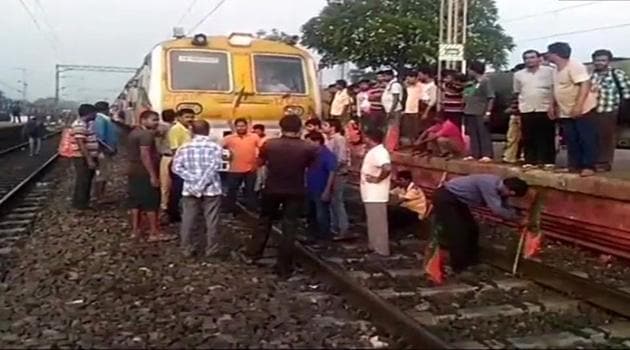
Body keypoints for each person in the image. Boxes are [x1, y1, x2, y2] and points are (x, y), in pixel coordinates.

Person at [245, 114, 318, 277]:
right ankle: (284, 266)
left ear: (281, 127)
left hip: (272, 188)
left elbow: (259, 163)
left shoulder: (270, 145)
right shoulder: (308, 147)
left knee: (264, 221)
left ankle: (253, 254)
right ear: (299, 128)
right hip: (295, 190)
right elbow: (311, 165)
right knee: (290, 226)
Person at [429, 175, 528, 277]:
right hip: (446, 198)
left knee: (472, 229)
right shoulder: (489, 185)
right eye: (512, 195)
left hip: (459, 201)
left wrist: (517, 214)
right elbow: (497, 208)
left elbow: (504, 206)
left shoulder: (500, 187)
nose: (510, 197)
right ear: (511, 191)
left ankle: (471, 260)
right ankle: (458, 266)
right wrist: (518, 219)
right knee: (458, 232)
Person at [172, 120, 224, 257]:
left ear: (191, 131)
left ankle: (186, 248)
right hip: (212, 188)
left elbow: (176, 168)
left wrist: (194, 181)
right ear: (208, 130)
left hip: (190, 189)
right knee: (212, 220)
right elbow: (214, 168)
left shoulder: (184, 148)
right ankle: (211, 249)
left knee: (188, 219)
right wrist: (202, 183)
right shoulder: (216, 148)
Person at [547, 42, 598, 177]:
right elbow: (556, 89)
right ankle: (574, 165)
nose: (547, 55)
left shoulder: (574, 66)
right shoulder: (555, 70)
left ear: (555, 54)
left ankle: (589, 166)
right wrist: (552, 106)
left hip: (582, 109)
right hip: (565, 110)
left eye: (549, 52)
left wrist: (578, 105)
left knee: (585, 138)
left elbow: (585, 84)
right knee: (571, 139)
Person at [126, 110, 170, 241]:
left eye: (157, 119)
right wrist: (153, 175)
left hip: (133, 170)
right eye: (154, 120)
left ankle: (135, 231)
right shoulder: (146, 135)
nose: (156, 122)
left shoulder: (134, 133)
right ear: (143, 120)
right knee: (151, 202)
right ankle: (154, 232)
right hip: (144, 172)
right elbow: (145, 155)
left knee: (135, 202)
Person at [513, 50, 556, 170]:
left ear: (538, 59)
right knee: (528, 136)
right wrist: (517, 111)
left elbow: (554, 90)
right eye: (526, 58)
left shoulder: (550, 72)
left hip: (544, 107)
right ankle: (530, 160)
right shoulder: (519, 75)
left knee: (546, 136)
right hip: (526, 108)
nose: (529, 60)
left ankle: (548, 161)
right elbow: (517, 92)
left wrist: (552, 107)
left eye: (532, 57)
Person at [590, 49, 630, 172]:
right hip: (593, 110)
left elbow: (627, 93)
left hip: (609, 109)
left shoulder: (617, 74)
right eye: (597, 60)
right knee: (593, 137)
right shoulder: (592, 75)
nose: (599, 63)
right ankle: (593, 161)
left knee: (606, 138)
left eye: (603, 60)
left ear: (608, 61)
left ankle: (604, 163)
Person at [360, 128, 392, 257]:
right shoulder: (374, 151)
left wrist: (377, 179)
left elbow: (387, 167)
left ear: (369, 138)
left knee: (378, 222)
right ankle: (373, 246)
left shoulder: (380, 152)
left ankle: (381, 250)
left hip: (376, 194)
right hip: (370, 194)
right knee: (373, 221)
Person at [223, 118, 261, 214]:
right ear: (235, 127)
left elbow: (262, 148)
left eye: (242, 126)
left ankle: (251, 207)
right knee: (232, 190)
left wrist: (257, 161)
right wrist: (225, 156)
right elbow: (217, 148)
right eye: (238, 126)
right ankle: (229, 207)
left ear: (246, 126)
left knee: (250, 190)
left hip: (250, 169)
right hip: (234, 169)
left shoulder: (254, 137)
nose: (241, 128)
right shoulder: (229, 138)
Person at [305, 131, 337, 243]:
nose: (307, 145)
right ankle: (313, 236)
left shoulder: (328, 155)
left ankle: (323, 238)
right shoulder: (312, 155)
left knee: (322, 215)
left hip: (321, 188)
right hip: (311, 188)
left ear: (317, 142)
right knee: (311, 215)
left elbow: (332, 173)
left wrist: (327, 190)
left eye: (309, 143)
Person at [322, 119, 350, 239]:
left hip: (339, 173)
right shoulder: (328, 140)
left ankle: (343, 229)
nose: (323, 127)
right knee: (332, 201)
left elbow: (342, 158)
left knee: (337, 201)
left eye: (325, 125)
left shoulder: (339, 139)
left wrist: (332, 168)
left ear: (332, 127)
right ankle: (334, 227)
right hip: (330, 172)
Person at [462, 61, 494, 163]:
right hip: (469, 110)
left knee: (483, 133)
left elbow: (491, 97)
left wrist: (488, 112)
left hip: (480, 111)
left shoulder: (485, 81)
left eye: (469, 69)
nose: (468, 71)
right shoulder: (471, 83)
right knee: (473, 134)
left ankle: (486, 154)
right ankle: (475, 153)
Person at [166, 108, 194, 222]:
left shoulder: (189, 129)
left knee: (182, 188)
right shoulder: (176, 129)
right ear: (179, 118)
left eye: (192, 117)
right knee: (177, 189)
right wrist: (180, 163)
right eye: (187, 117)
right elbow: (174, 148)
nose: (190, 119)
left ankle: (180, 211)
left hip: (187, 162)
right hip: (179, 162)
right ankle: (173, 213)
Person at [70, 104, 100, 210]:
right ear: (89, 113)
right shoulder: (79, 125)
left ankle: (83, 202)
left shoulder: (86, 124)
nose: (96, 115)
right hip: (82, 158)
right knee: (83, 180)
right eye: (95, 113)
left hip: (85, 157)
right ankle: (80, 204)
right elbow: (80, 143)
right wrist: (89, 160)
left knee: (86, 180)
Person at [93, 101, 119, 203]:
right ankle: (99, 196)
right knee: (101, 174)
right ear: (105, 109)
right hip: (102, 152)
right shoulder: (100, 120)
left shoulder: (102, 119)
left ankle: (99, 195)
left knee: (102, 174)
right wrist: (106, 149)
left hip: (104, 151)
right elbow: (99, 137)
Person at [157, 109, 176, 212]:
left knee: (165, 184)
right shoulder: (177, 127)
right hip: (177, 156)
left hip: (166, 157)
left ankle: (164, 205)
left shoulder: (161, 127)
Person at [380, 69, 404, 151]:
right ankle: (390, 144)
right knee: (390, 128)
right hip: (389, 109)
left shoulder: (395, 85)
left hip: (395, 109)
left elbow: (396, 99)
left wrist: (391, 110)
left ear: (391, 76)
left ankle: (394, 146)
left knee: (394, 128)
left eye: (385, 76)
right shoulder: (389, 84)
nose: (384, 78)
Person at [402, 70, 423, 146]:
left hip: (416, 110)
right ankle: (412, 144)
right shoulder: (408, 87)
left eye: (411, 77)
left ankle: (418, 144)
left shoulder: (420, 85)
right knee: (409, 129)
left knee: (416, 129)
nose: (408, 79)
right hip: (408, 110)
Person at [418, 66, 438, 130]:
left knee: (426, 126)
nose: (419, 77)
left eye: (420, 75)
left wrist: (426, 112)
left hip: (426, 106)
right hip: (419, 105)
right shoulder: (420, 84)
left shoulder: (433, 86)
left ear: (426, 75)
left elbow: (433, 100)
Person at [252, 124, 268, 196]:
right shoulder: (252, 138)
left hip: (263, 163)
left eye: (258, 131)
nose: (256, 133)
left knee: (263, 180)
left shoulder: (266, 140)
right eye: (255, 132)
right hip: (253, 163)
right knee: (255, 182)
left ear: (262, 131)